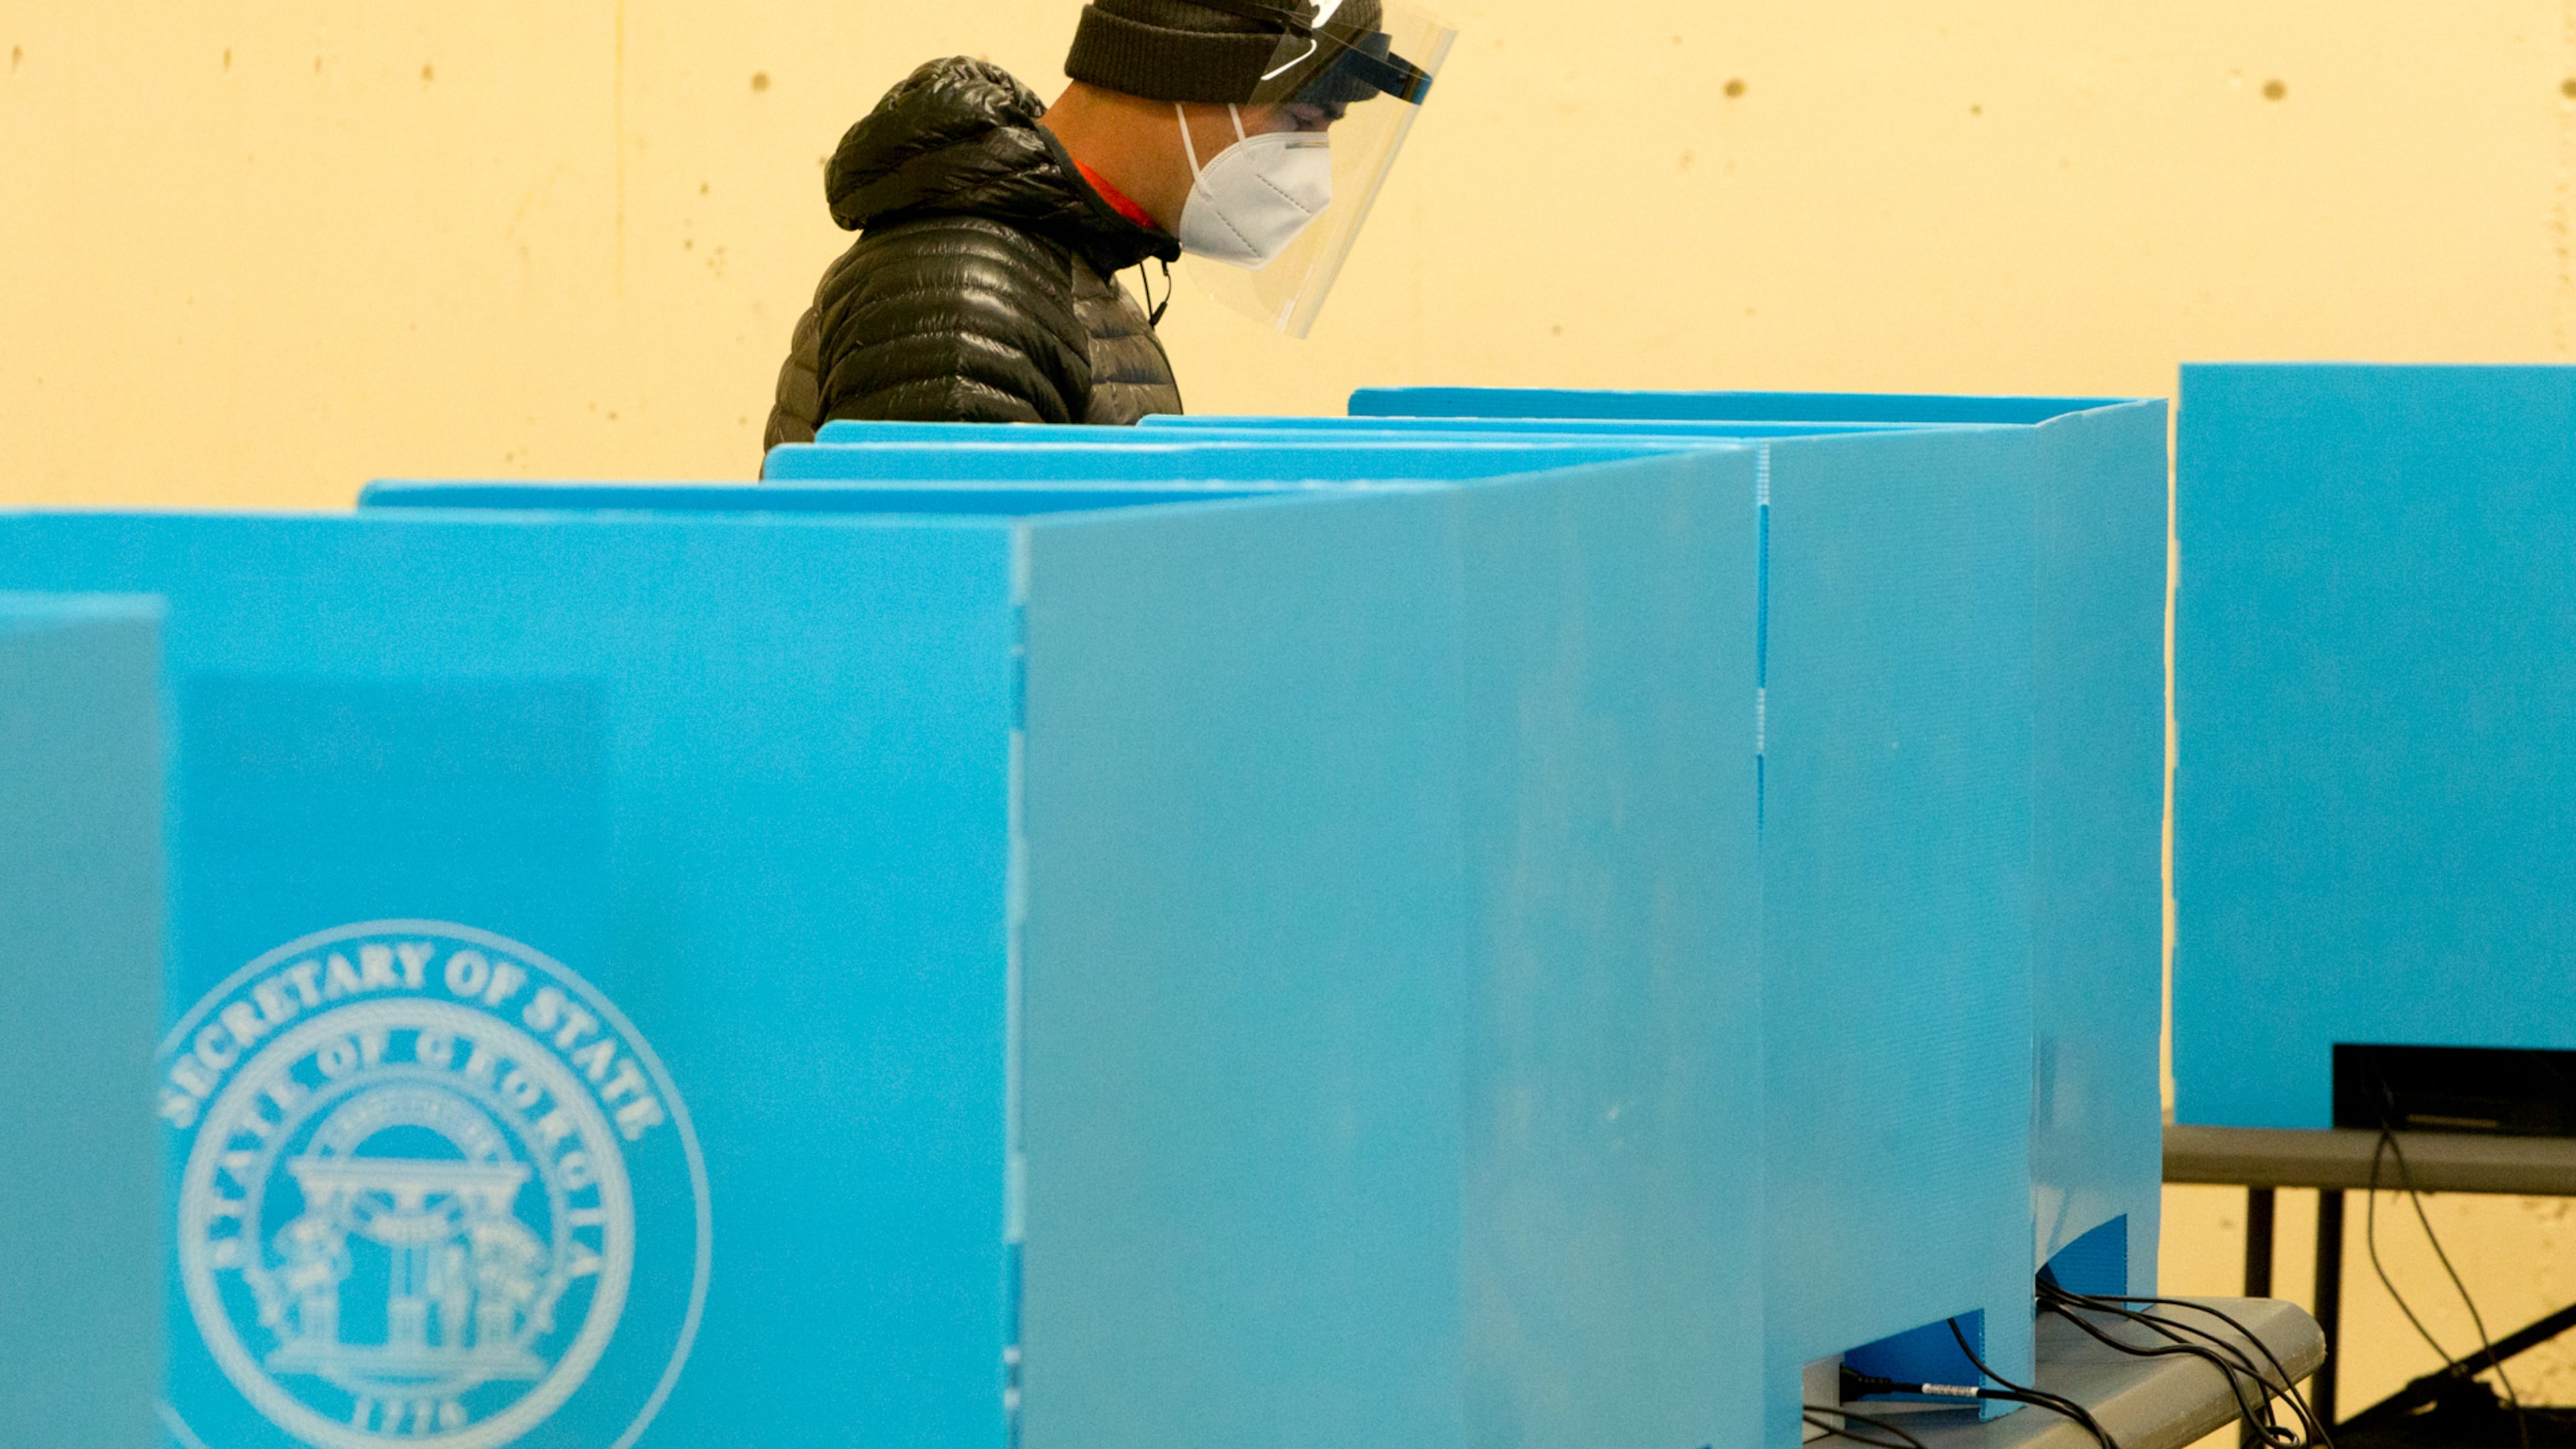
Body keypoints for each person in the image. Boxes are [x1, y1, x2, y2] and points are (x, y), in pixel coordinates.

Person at [763, 0, 1443, 447]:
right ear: (1183, 71)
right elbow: (942, 618)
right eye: (1298, 122)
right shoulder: (967, 296)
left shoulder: (1061, 267)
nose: (1308, 169)